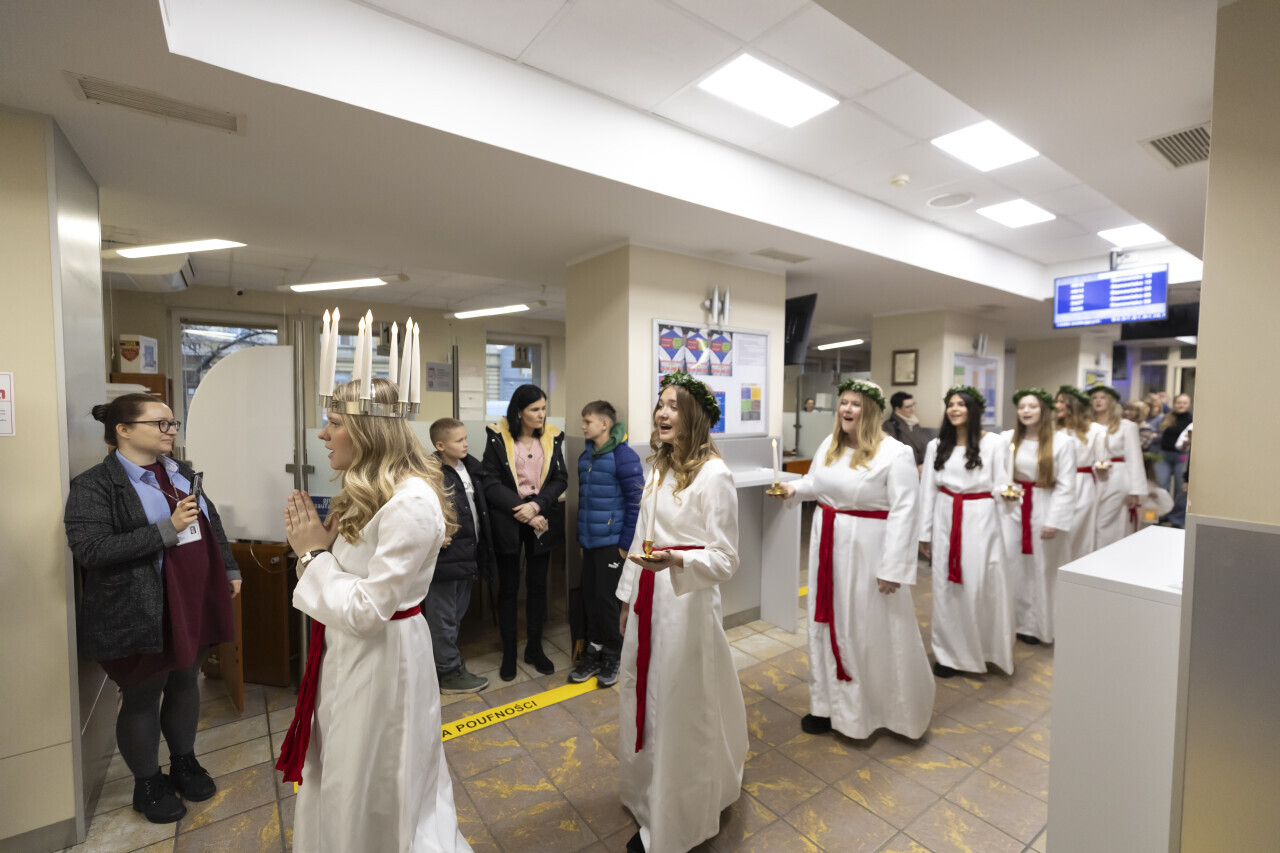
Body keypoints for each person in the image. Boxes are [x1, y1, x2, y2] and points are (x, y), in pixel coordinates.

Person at [276, 378, 471, 852]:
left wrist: (311, 557)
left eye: (334, 423)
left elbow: (368, 610)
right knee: (343, 770)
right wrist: (323, 552)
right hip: (351, 656)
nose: (323, 434)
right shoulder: (372, 493)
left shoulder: (411, 502)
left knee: (374, 778)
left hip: (384, 661)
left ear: (368, 430)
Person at [64, 394, 240, 824]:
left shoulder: (181, 472)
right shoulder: (95, 485)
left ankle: (183, 762)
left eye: (173, 422)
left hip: (193, 598)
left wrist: (230, 567)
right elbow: (91, 550)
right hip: (139, 607)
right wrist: (167, 529)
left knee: (185, 682)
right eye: (160, 423)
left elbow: (210, 522)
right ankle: (147, 782)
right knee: (142, 695)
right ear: (123, 430)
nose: (171, 430)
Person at [616, 371, 746, 853]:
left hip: (686, 603)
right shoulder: (658, 466)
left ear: (694, 416)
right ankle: (646, 795)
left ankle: (679, 820)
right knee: (644, 693)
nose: (662, 413)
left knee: (680, 704)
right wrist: (627, 598)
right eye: (660, 404)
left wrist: (678, 561)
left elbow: (726, 558)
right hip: (649, 595)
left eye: (673, 406)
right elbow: (640, 536)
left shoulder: (715, 475)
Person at [773, 379, 934, 739]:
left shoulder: (894, 453)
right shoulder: (830, 445)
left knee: (866, 629)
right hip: (828, 546)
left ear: (871, 411)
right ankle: (826, 706)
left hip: (869, 553)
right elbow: (817, 483)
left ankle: (871, 713)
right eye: (844, 402)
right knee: (826, 623)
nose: (846, 409)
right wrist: (793, 488)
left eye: (855, 404)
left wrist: (893, 568)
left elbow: (905, 512)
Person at [918, 386, 1014, 679]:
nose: (955, 408)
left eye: (961, 404)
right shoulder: (936, 445)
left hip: (981, 519)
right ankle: (948, 654)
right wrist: (924, 532)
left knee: (978, 585)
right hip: (946, 517)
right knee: (946, 587)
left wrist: (1008, 495)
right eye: (951, 404)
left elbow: (1003, 483)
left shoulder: (994, 443)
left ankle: (984, 650)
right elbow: (928, 490)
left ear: (973, 410)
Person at [483, 383, 568, 681]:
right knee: (508, 588)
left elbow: (560, 478)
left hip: (540, 517)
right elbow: (490, 481)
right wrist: (522, 509)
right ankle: (509, 652)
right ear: (519, 412)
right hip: (510, 518)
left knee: (537, 586)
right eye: (535, 409)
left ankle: (534, 648)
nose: (541, 414)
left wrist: (537, 506)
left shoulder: (552, 437)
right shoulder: (498, 437)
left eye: (544, 408)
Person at [572, 400, 644, 688]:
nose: (582, 426)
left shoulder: (624, 456)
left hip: (613, 544)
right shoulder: (585, 457)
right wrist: (581, 539)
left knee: (608, 602)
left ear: (605, 424)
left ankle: (614, 656)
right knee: (590, 599)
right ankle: (594, 652)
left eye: (587, 421)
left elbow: (637, 502)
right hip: (590, 543)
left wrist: (625, 544)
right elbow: (584, 502)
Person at [998, 389, 1075, 646]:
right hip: (1014, 508)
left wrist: (1054, 520)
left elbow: (1067, 485)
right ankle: (1015, 622)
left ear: (1044, 410)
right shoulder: (1007, 439)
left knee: (1042, 568)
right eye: (1022, 407)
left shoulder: (1062, 442)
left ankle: (1040, 625)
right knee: (1015, 565)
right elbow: (998, 473)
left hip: (1045, 505)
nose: (1026, 411)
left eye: (1032, 406)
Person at [425, 418, 492, 694]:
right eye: (459, 440)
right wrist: (434, 533)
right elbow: (420, 510)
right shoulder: (429, 473)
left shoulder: (470, 467)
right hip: (446, 556)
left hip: (468, 553)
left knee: (455, 615)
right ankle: (447, 672)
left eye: (465, 438)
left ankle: (444, 663)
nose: (466, 444)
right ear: (440, 445)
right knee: (442, 617)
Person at [1089, 385, 1145, 548]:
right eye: (1095, 398)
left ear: (1111, 401)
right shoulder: (1088, 425)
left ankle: (1106, 553)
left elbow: (1134, 457)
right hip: (1092, 478)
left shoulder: (1126, 426)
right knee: (1092, 521)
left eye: (1103, 397)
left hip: (1116, 477)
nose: (1098, 401)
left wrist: (1135, 490)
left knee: (1106, 521)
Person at [1055, 386, 1105, 562]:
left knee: (1079, 530)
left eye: (1061, 402)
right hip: (1056, 483)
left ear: (1073, 405)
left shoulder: (1095, 430)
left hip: (1082, 485)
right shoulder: (1054, 429)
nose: (1057, 405)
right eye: (1057, 401)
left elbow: (1101, 459)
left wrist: (1102, 468)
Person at [1156, 393, 1193, 528]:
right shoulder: (1166, 418)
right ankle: (1162, 514)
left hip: (1181, 457)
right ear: (1174, 404)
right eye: (1179, 402)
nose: (1181, 405)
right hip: (1164, 455)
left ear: (1189, 405)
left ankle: (1176, 519)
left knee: (1180, 489)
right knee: (1161, 485)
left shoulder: (1192, 420)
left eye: (1184, 403)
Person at [882, 390, 929, 470]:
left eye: (913, 405)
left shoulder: (915, 423)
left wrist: (924, 464)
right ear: (897, 409)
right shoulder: (889, 426)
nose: (912, 409)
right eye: (908, 407)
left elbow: (923, 446)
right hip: (904, 469)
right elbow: (893, 453)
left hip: (921, 467)